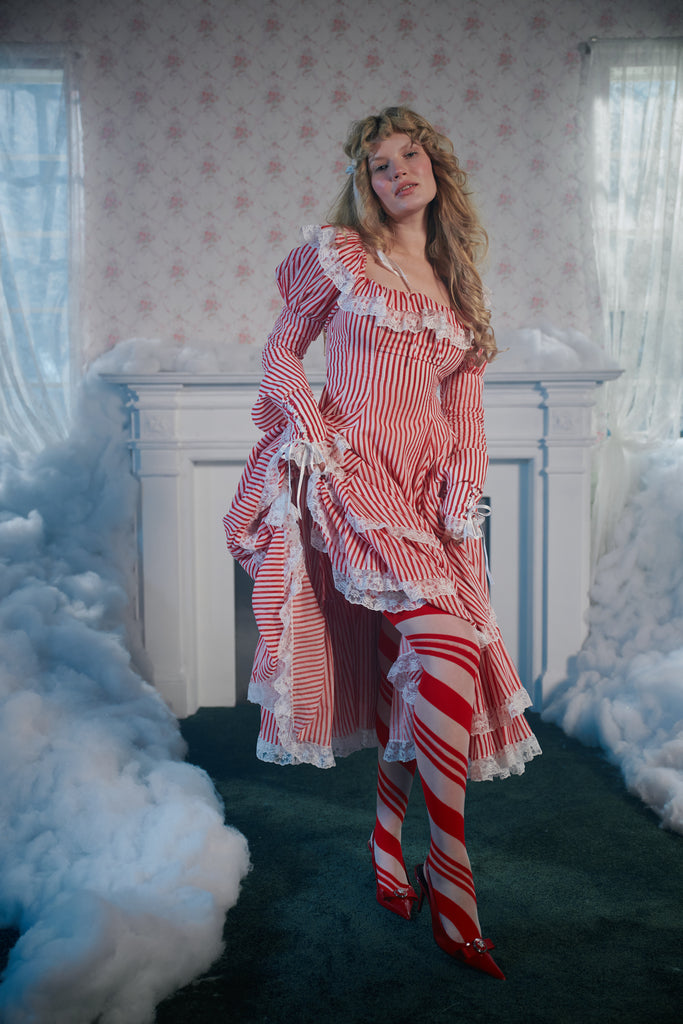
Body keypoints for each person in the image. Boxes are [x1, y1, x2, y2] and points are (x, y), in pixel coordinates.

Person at [224, 106, 541, 980]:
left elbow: (465, 413)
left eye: (409, 155)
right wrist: (312, 434)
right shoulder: (343, 256)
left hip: (428, 497)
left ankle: (384, 840)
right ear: (363, 182)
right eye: (378, 163)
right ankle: (452, 869)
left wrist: (463, 493)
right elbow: (281, 354)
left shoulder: (457, 281)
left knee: (432, 663)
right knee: (444, 648)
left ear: (436, 168)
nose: (397, 171)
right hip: (354, 471)